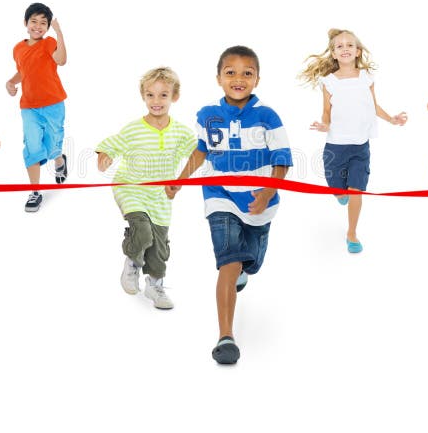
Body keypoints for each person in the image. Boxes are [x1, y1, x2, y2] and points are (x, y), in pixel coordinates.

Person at [170, 46, 293, 365]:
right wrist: (181, 179)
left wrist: (266, 192)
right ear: (218, 78)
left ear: (257, 79)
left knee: (251, 261)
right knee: (228, 260)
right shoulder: (207, 115)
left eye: (247, 73)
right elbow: (201, 150)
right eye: (231, 72)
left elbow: (282, 159)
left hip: (258, 202)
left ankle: (243, 270)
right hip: (218, 195)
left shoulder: (267, 116)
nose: (238, 78)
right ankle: (226, 337)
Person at [96, 67, 197, 309]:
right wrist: (104, 156)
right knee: (142, 232)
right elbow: (110, 146)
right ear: (143, 96)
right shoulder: (133, 129)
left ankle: (155, 285)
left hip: (160, 197)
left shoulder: (181, 132)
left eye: (163, 95)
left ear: (175, 97)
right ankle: (132, 262)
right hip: (130, 188)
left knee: (159, 247)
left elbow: (198, 154)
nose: (156, 101)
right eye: (150, 95)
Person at [298, 28, 407, 253]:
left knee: (356, 190)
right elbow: (326, 111)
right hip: (336, 146)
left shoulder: (367, 78)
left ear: (358, 51)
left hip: (360, 146)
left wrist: (392, 119)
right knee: (337, 189)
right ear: (334, 54)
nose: (345, 48)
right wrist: (324, 124)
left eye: (350, 45)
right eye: (340, 46)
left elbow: (373, 106)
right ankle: (340, 193)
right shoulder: (328, 82)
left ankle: (352, 233)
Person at [5, 2, 69, 212]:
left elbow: (61, 60)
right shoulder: (18, 48)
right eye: (34, 21)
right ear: (26, 23)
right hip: (29, 107)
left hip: (53, 104)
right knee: (32, 146)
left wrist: (59, 32)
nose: (38, 26)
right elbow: (24, 71)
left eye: (44, 23)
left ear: (48, 27)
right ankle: (35, 192)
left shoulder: (50, 42)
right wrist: (11, 82)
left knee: (52, 147)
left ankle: (59, 160)